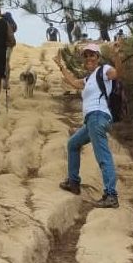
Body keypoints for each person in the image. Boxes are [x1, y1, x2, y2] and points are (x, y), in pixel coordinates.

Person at [53, 41, 123, 208]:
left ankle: (111, 195)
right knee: (73, 144)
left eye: (92, 55)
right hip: (92, 120)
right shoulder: (88, 79)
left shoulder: (104, 70)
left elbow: (118, 73)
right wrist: (61, 66)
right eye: (85, 56)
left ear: (98, 57)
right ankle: (73, 182)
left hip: (98, 117)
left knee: (103, 157)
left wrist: (116, 55)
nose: (88, 58)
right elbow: (73, 82)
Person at [2, 11, 17, 89]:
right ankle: (6, 82)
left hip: (4, 45)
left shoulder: (3, 21)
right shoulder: (12, 23)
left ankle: (4, 82)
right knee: (6, 62)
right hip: (8, 45)